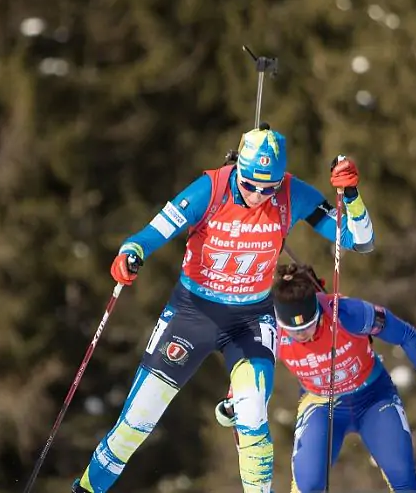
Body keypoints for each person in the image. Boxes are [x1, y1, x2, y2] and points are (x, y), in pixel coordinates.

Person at [72, 126, 376, 493]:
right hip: (193, 314)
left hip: (250, 320)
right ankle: (86, 489)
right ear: (238, 170)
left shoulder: (291, 195)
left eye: (269, 188)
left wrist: (352, 196)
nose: (259, 196)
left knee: (252, 416)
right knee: (136, 421)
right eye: (250, 185)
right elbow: (150, 234)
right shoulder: (211, 189)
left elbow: (360, 240)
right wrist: (131, 254)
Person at [214, 263, 416, 493]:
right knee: (307, 487)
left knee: (404, 479)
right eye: (294, 331)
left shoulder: (347, 313)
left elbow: (405, 334)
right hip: (321, 405)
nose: (303, 336)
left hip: (373, 397)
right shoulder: (270, 330)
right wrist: (232, 401)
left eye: (309, 326)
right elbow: (249, 367)